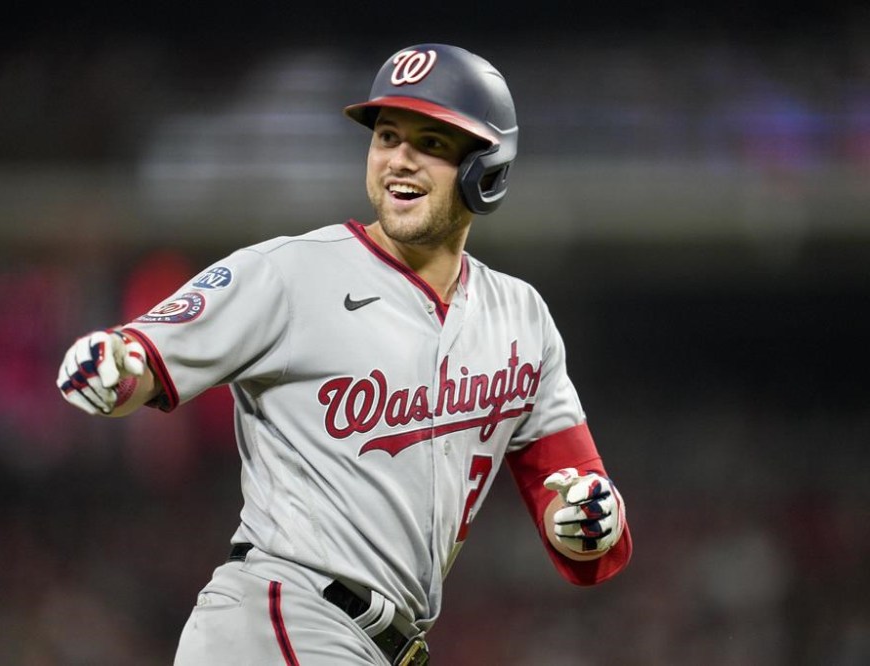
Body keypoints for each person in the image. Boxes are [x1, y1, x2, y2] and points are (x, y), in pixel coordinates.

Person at [57, 43, 632, 666]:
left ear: (484, 169)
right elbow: (144, 356)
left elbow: (575, 495)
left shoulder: (521, 317)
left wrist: (588, 520)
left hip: (373, 645)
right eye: (387, 137)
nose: (399, 160)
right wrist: (115, 364)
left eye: (431, 144)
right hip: (282, 620)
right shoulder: (292, 272)